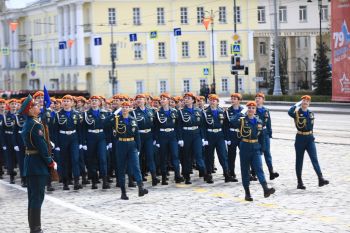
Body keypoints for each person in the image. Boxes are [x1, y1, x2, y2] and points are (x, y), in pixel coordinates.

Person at [18, 94, 56, 233]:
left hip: (31, 163)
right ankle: (36, 228)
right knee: (37, 197)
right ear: (29, 110)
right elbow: (42, 148)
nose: (38, 106)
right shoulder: (35, 126)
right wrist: (50, 162)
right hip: (37, 165)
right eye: (35, 105)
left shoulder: (30, 123)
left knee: (32, 197)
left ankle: (33, 226)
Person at [230, 101, 275, 201]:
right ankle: (247, 193)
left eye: (253, 108)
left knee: (259, 168)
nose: (251, 110)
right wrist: (242, 112)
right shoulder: (241, 120)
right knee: (245, 170)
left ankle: (265, 189)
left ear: (255, 110)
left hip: (255, 147)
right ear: (247, 110)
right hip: (245, 146)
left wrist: (262, 148)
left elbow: (262, 136)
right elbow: (232, 121)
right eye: (249, 108)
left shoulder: (259, 121)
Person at [106, 101, 149, 200]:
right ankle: (123, 192)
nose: (125, 108)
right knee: (121, 169)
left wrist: (138, 148)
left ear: (130, 108)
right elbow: (105, 123)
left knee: (136, 166)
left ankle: (141, 187)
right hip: (121, 144)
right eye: (123, 107)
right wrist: (115, 113)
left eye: (127, 107)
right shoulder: (116, 119)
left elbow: (137, 135)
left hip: (132, 145)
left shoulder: (133, 119)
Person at [288, 95, 329, 189]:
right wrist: (296, 105)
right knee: (299, 161)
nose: (305, 102)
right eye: (303, 101)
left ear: (309, 103)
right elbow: (289, 112)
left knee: (314, 159)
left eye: (307, 101)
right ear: (301, 102)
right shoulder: (297, 113)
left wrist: (312, 137)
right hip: (300, 138)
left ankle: (320, 178)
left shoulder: (311, 113)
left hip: (310, 139)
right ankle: (299, 182)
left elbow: (311, 126)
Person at [178, 92, 210, 184]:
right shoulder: (181, 112)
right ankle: (186, 176)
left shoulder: (199, 111)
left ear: (193, 100)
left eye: (188, 98)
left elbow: (202, 126)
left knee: (199, 155)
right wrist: (180, 139)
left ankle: (205, 173)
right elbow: (179, 126)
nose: (186, 100)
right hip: (186, 134)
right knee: (186, 156)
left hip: (196, 135)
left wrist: (203, 138)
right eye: (185, 98)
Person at [154, 93, 184, 185]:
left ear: (168, 100)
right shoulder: (158, 113)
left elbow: (178, 126)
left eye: (164, 99)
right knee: (163, 157)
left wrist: (180, 138)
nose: (162, 100)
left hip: (172, 136)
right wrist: (157, 140)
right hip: (162, 136)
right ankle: (163, 177)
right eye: (161, 99)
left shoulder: (175, 111)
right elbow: (156, 128)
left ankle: (177, 176)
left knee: (175, 156)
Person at [203, 94, 233, 183]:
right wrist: (204, 138)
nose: (212, 102)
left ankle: (227, 174)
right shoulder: (205, 112)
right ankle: (208, 175)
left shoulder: (222, 112)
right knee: (208, 156)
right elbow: (203, 126)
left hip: (219, 135)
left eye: (214, 100)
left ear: (217, 102)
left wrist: (226, 138)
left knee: (223, 155)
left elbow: (225, 126)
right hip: (209, 135)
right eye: (211, 100)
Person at [255, 93, 279, 180]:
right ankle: (254, 172)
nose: (257, 99)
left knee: (267, 153)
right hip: (256, 133)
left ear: (263, 100)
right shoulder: (252, 109)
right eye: (256, 98)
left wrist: (269, 133)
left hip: (265, 133)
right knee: (257, 153)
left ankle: (271, 172)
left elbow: (269, 122)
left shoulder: (266, 110)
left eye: (259, 98)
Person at [224, 93, 243, 182]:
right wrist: (227, 138)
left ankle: (247, 173)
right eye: (232, 98)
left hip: (241, 135)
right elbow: (225, 126)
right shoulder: (227, 111)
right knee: (231, 156)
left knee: (244, 155)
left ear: (239, 100)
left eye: (235, 98)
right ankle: (231, 173)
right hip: (232, 134)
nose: (233, 100)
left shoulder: (244, 110)